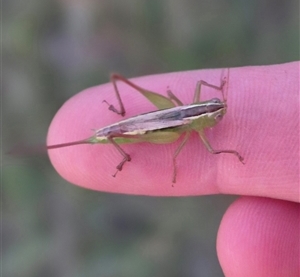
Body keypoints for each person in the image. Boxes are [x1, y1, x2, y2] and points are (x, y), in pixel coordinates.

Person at [47, 61, 299, 276]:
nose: (219, 115)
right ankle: (118, 145)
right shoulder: (197, 129)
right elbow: (210, 151)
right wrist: (232, 151)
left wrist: (217, 96)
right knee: (151, 137)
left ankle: (115, 132)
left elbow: (201, 87)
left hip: (178, 115)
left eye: (217, 111)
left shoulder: (197, 110)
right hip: (164, 126)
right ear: (203, 117)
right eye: (216, 113)